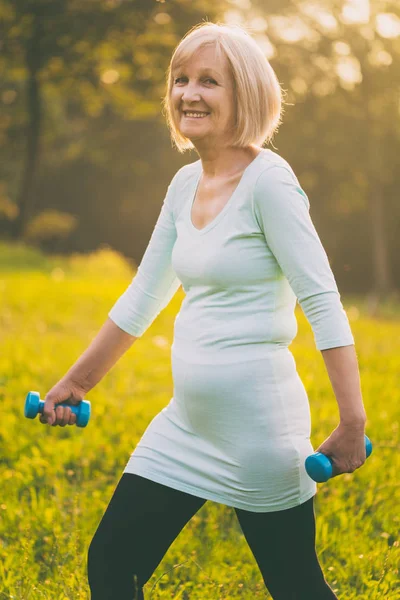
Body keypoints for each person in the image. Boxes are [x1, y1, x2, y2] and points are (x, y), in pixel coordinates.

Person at [41, 21, 368, 600]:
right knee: (113, 564)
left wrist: (351, 422)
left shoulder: (270, 183)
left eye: (209, 81)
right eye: (180, 78)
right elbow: (144, 295)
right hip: (186, 425)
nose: (189, 92)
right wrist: (76, 381)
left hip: (257, 430)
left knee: (295, 584)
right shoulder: (183, 184)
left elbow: (321, 299)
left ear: (244, 95)